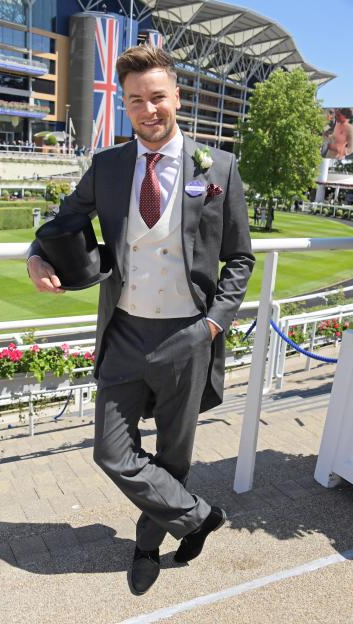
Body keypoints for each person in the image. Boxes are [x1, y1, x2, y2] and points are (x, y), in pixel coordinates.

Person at [27, 46, 254, 595]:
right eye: (136, 101)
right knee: (111, 450)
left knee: (174, 454)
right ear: (124, 107)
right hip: (125, 329)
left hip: (189, 334)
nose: (148, 109)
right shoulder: (107, 166)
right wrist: (36, 255)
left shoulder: (217, 166)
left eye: (157, 97)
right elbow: (63, 221)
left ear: (176, 96)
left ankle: (147, 546)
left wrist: (213, 325)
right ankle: (197, 517)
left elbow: (241, 257)